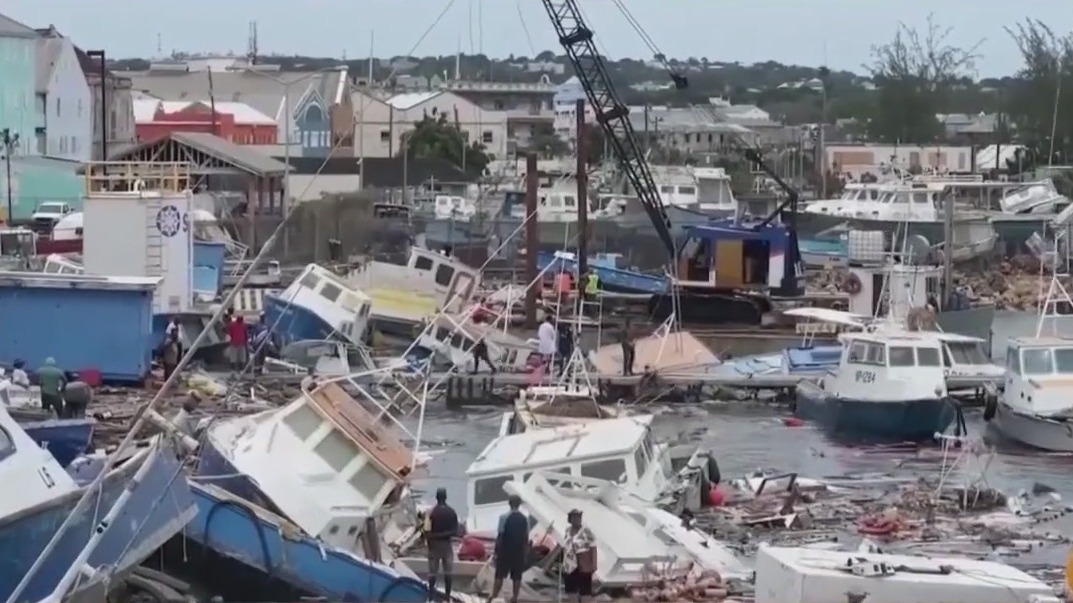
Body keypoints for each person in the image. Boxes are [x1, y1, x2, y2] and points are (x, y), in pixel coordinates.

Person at [487, 494, 529, 603]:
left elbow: (500, 536)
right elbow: (526, 537)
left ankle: (494, 595)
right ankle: (515, 597)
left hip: (505, 550)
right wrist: (525, 553)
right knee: (517, 576)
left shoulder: (504, 517)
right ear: (519, 504)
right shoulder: (525, 519)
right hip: (518, 551)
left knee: (499, 574)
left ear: (509, 503)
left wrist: (496, 552)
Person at [426, 488, 459, 599]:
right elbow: (455, 531)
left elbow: (427, 531)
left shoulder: (431, 513)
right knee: (448, 572)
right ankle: (447, 596)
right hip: (447, 545)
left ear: (436, 497)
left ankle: (430, 596)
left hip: (434, 545)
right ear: (446, 497)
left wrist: (431, 540)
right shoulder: (452, 512)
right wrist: (445, 534)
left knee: (432, 573)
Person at [562, 509, 596, 602]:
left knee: (585, 591)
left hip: (584, 564)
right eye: (574, 517)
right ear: (570, 519)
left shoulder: (586, 531)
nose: (576, 519)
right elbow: (565, 545)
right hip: (569, 564)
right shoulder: (567, 530)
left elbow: (593, 546)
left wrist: (594, 564)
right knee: (570, 590)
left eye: (578, 517)